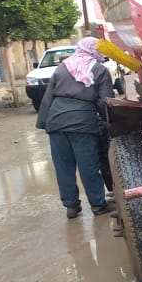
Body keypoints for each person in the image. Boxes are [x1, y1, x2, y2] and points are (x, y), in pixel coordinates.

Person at [36, 37, 116, 219]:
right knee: (88, 165)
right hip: (82, 123)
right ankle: (98, 205)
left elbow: (48, 97)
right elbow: (105, 102)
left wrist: (44, 123)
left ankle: (71, 207)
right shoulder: (99, 70)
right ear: (94, 50)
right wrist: (111, 124)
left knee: (63, 165)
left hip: (56, 121)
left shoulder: (63, 67)